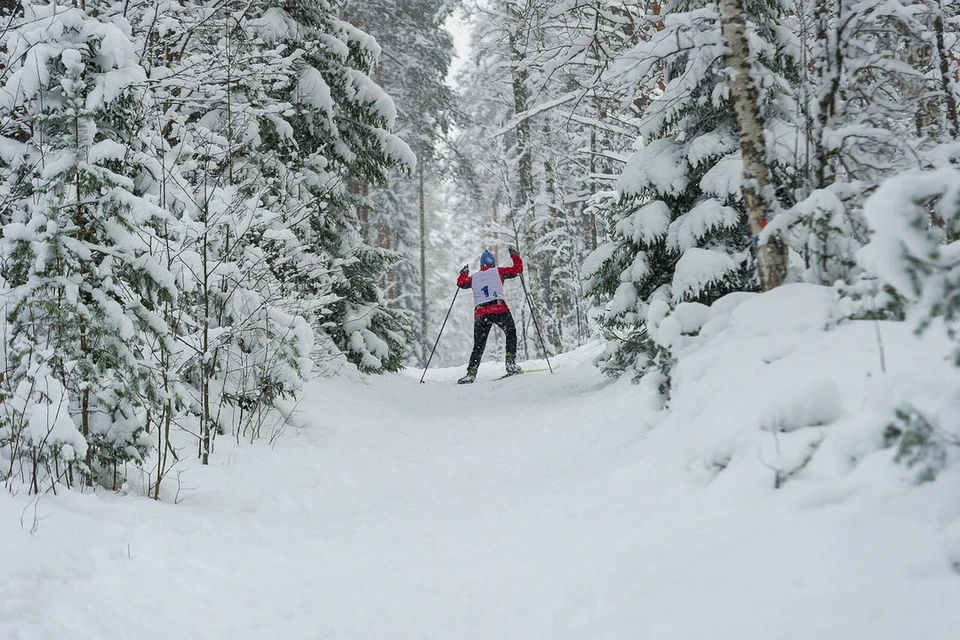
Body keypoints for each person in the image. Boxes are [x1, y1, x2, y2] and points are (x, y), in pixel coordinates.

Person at [456, 246, 524, 384]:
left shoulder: (474, 277)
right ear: (493, 263)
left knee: (479, 344)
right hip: (499, 309)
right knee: (510, 333)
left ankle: (471, 373)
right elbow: (518, 270)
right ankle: (510, 363)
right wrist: (515, 255)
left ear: (481, 265)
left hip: (481, 313)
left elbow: (461, 283)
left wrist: (463, 273)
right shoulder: (498, 272)